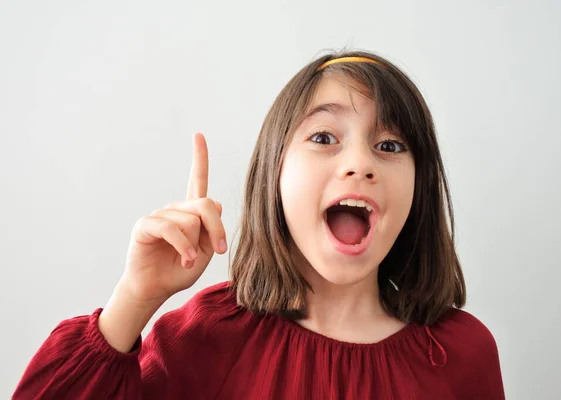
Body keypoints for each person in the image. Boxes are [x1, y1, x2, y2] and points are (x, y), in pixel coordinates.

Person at [13, 50, 505, 399]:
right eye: (324, 136)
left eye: (391, 146)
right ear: (275, 175)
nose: (360, 163)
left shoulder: (463, 354)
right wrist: (135, 297)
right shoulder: (207, 340)